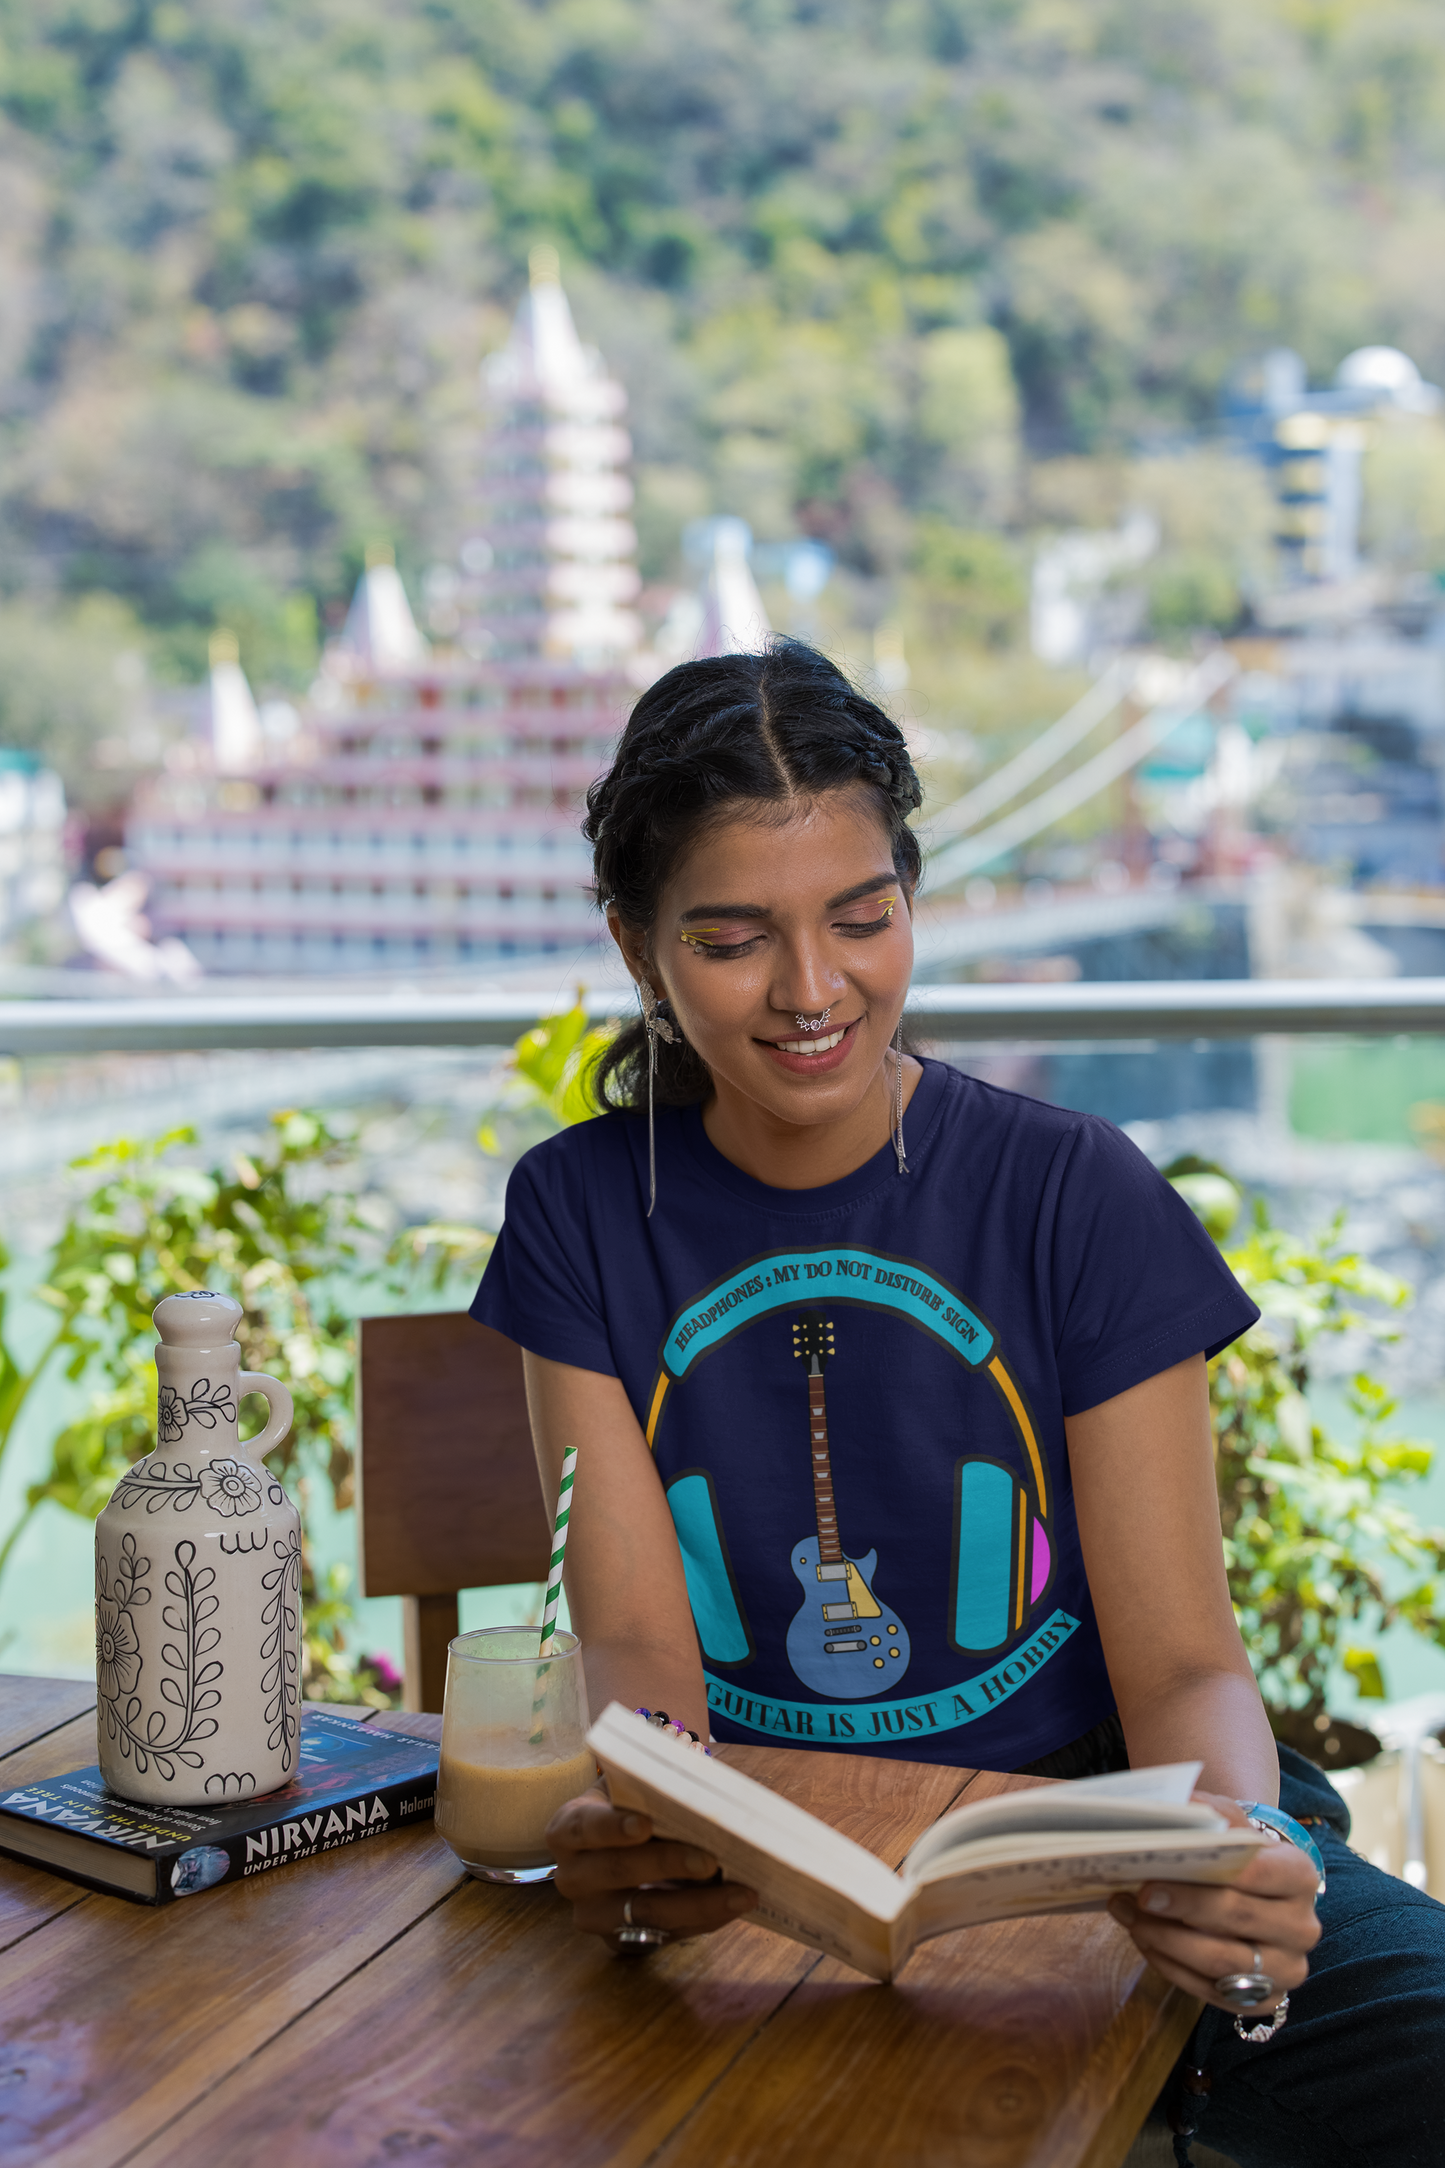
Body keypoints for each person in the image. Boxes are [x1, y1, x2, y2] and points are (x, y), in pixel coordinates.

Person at [471, 640, 1444, 2167]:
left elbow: (1186, 1664)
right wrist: (649, 1829)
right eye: (734, 941)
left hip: (1104, 1818)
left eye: (863, 919)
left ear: (912, 902)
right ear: (633, 942)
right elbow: (643, 1662)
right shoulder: (580, 1212)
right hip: (768, 1847)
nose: (814, 991)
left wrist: (1233, 1854)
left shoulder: (1075, 1192)